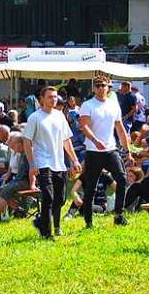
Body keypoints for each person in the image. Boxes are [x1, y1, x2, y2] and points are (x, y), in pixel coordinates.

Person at [24, 86, 80, 240]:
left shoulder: (60, 116)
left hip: (59, 163)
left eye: (55, 97)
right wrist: (32, 163)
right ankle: (48, 232)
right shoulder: (34, 117)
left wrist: (74, 160)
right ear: (41, 99)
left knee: (60, 199)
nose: (53, 99)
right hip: (43, 162)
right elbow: (26, 141)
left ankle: (43, 223)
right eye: (50, 97)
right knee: (48, 197)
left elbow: (66, 140)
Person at [77, 77, 130, 228]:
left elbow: (120, 129)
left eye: (103, 85)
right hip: (94, 151)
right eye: (98, 86)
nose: (101, 88)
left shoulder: (114, 105)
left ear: (109, 88)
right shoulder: (88, 105)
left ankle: (119, 214)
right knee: (91, 186)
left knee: (122, 179)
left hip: (111, 149)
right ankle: (88, 220)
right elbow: (84, 126)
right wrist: (95, 140)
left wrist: (127, 151)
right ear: (94, 88)